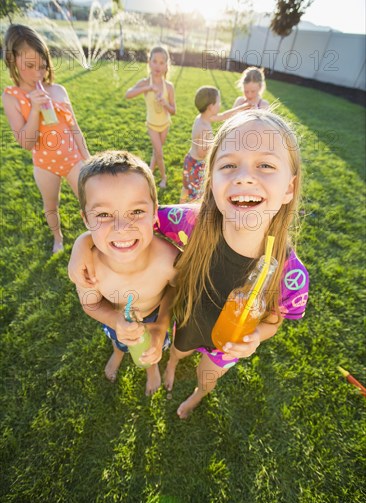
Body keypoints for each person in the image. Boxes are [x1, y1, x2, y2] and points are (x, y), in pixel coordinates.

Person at [69, 111, 309, 417]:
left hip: (228, 344)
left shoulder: (291, 277)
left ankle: (197, 395)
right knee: (177, 351)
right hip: (187, 319)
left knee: (207, 376)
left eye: (265, 165)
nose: (245, 177)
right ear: (212, 178)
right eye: (229, 165)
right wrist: (83, 243)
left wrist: (257, 338)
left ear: (289, 187)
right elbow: (127, 221)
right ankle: (169, 365)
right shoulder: (187, 222)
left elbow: (276, 318)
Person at [73, 150, 179, 395]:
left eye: (136, 212)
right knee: (118, 340)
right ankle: (118, 352)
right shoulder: (88, 267)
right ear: (86, 220)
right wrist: (115, 321)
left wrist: (162, 324)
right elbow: (90, 304)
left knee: (152, 350)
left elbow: (177, 287)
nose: (122, 228)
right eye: (103, 215)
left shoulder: (168, 259)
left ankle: (152, 367)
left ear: (154, 212)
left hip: (154, 316)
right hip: (115, 315)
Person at [2, 24, 90, 254]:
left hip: (72, 159)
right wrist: (34, 109)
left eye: (42, 66)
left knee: (90, 200)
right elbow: (25, 142)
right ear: (12, 62)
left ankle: (95, 239)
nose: (37, 74)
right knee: (51, 205)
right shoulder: (12, 97)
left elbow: (75, 128)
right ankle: (58, 238)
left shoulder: (58, 90)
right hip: (45, 164)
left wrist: (87, 159)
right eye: (29, 66)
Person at [181, 86, 252, 203]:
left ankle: (180, 205)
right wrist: (216, 145)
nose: (220, 104)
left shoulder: (202, 118)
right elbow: (201, 152)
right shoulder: (204, 128)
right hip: (196, 166)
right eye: (218, 102)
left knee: (186, 187)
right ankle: (187, 214)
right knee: (195, 195)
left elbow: (222, 116)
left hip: (190, 160)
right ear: (210, 107)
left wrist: (242, 108)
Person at [125, 46, 176, 189]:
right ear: (149, 62)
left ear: (166, 66)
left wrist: (165, 103)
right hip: (152, 125)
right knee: (159, 152)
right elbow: (128, 94)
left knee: (156, 150)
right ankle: (164, 178)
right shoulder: (145, 83)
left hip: (165, 125)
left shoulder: (169, 87)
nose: (158, 66)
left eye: (161, 63)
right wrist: (147, 88)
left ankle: (150, 172)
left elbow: (174, 111)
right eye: (155, 61)